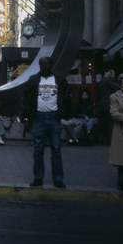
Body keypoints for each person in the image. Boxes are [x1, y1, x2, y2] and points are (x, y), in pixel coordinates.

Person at [20, 56, 71, 188]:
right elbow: (26, 100)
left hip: (54, 117)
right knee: (38, 150)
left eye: (47, 63)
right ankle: (38, 178)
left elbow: (66, 98)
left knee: (56, 149)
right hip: (38, 118)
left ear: (51, 65)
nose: (44, 66)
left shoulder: (59, 80)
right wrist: (26, 118)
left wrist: (63, 113)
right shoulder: (33, 80)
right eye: (42, 64)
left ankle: (58, 179)